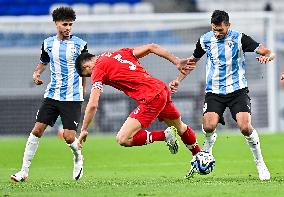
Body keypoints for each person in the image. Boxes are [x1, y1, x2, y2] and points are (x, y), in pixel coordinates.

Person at [169, 10, 275, 181]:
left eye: (220, 30)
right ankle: (209, 143)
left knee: (245, 128)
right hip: (214, 92)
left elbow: (268, 51)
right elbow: (192, 62)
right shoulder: (205, 39)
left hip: (237, 91)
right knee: (209, 126)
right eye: (214, 29)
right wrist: (178, 80)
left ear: (228, 26)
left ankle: (260, 164)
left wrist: (268, 57)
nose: (217, 34)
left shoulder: (240, 39)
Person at [75, 43, 203, 177]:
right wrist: (177, 61)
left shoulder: (97, 69)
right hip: (161, 90)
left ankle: (164, 135)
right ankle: (200, 156)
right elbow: (152, 47)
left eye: (88, 74)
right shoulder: (119, 52)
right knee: (180, 127)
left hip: (151, 98)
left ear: (87, 66)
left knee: (123, 139)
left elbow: (93, 104)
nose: (91, 76)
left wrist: (84, 129)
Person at [11, 7, 87, 182]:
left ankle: (78, 158)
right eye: (64, 24)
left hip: (72, 97)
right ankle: (23, 171)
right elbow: (44, 61)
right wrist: (36, 74)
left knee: (69, 137)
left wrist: (83, 91)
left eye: (70, 24)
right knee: (37, 130)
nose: (68, 27)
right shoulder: (48, 43)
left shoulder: (80, 45)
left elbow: (85, 69)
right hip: (52, 95)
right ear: (56, 24)